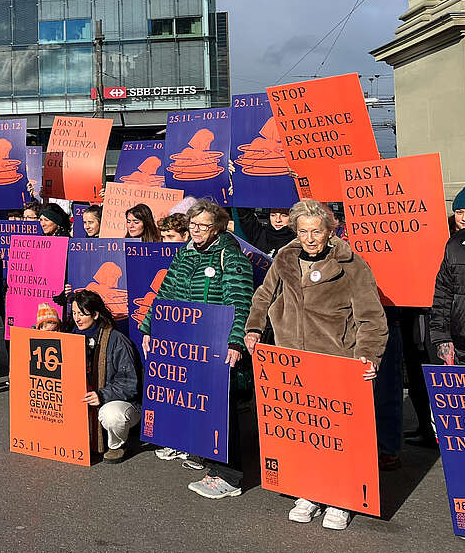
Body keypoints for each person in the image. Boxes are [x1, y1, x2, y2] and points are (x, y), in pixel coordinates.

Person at [244, 199, 388, 531]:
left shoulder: (353, 265)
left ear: (329, 230)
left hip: (336, 359)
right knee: (304, 431)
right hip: (292, 357)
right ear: (295, 231)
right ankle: (309, 491)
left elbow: (371, 318)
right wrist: (253, 328)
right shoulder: (285, 257)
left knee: (337, 434)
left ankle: (340, 498)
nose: (310, 238)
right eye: (304, 231)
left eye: (317, 231)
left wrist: (368, 356)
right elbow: (264, 295)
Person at [139, 199, 253, 500]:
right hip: (188, 342)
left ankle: (229, 475)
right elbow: (165, 294)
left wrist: (235, 341)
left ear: (217, 227)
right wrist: (151, 327)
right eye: (193, 225)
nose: (197, 230)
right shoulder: (185, 256)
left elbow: (241, 301)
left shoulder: (231, 257)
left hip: (217, 344)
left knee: (221, 410)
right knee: (199, 404)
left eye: (203, 225)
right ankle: (209, 462)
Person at [68, 289, 141, 463]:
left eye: (82, 314)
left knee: (112, 415)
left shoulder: (116, 340)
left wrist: (102, 395)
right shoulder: (70, 336)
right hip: (85, 398)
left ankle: (117, 445)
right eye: (74, 313)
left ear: (95, 315)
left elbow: (130, 383)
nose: (77, 318)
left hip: (120, 402)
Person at [433, 197, 465, 367]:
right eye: (459, 212)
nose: (464, 218)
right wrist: (442, 338)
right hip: (461, 341)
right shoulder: (453, 245)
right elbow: (443, 295)